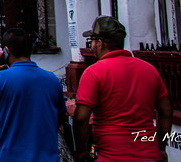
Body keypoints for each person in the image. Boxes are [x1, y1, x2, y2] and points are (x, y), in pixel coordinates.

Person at [73, 16, 173, 162]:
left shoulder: (94, 73)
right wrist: (161, 147)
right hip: (149, 156)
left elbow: (81, 118)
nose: (91, 46)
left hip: (112, 157)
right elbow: (166, 112)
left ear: (100, 43)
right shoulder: (149, 70)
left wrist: (81, 151)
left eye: (92, 41)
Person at [0, 28, 66, 162]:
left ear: (6, 51)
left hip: (10, 156)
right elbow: (60, 116)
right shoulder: (52, 80)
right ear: (31, 50)